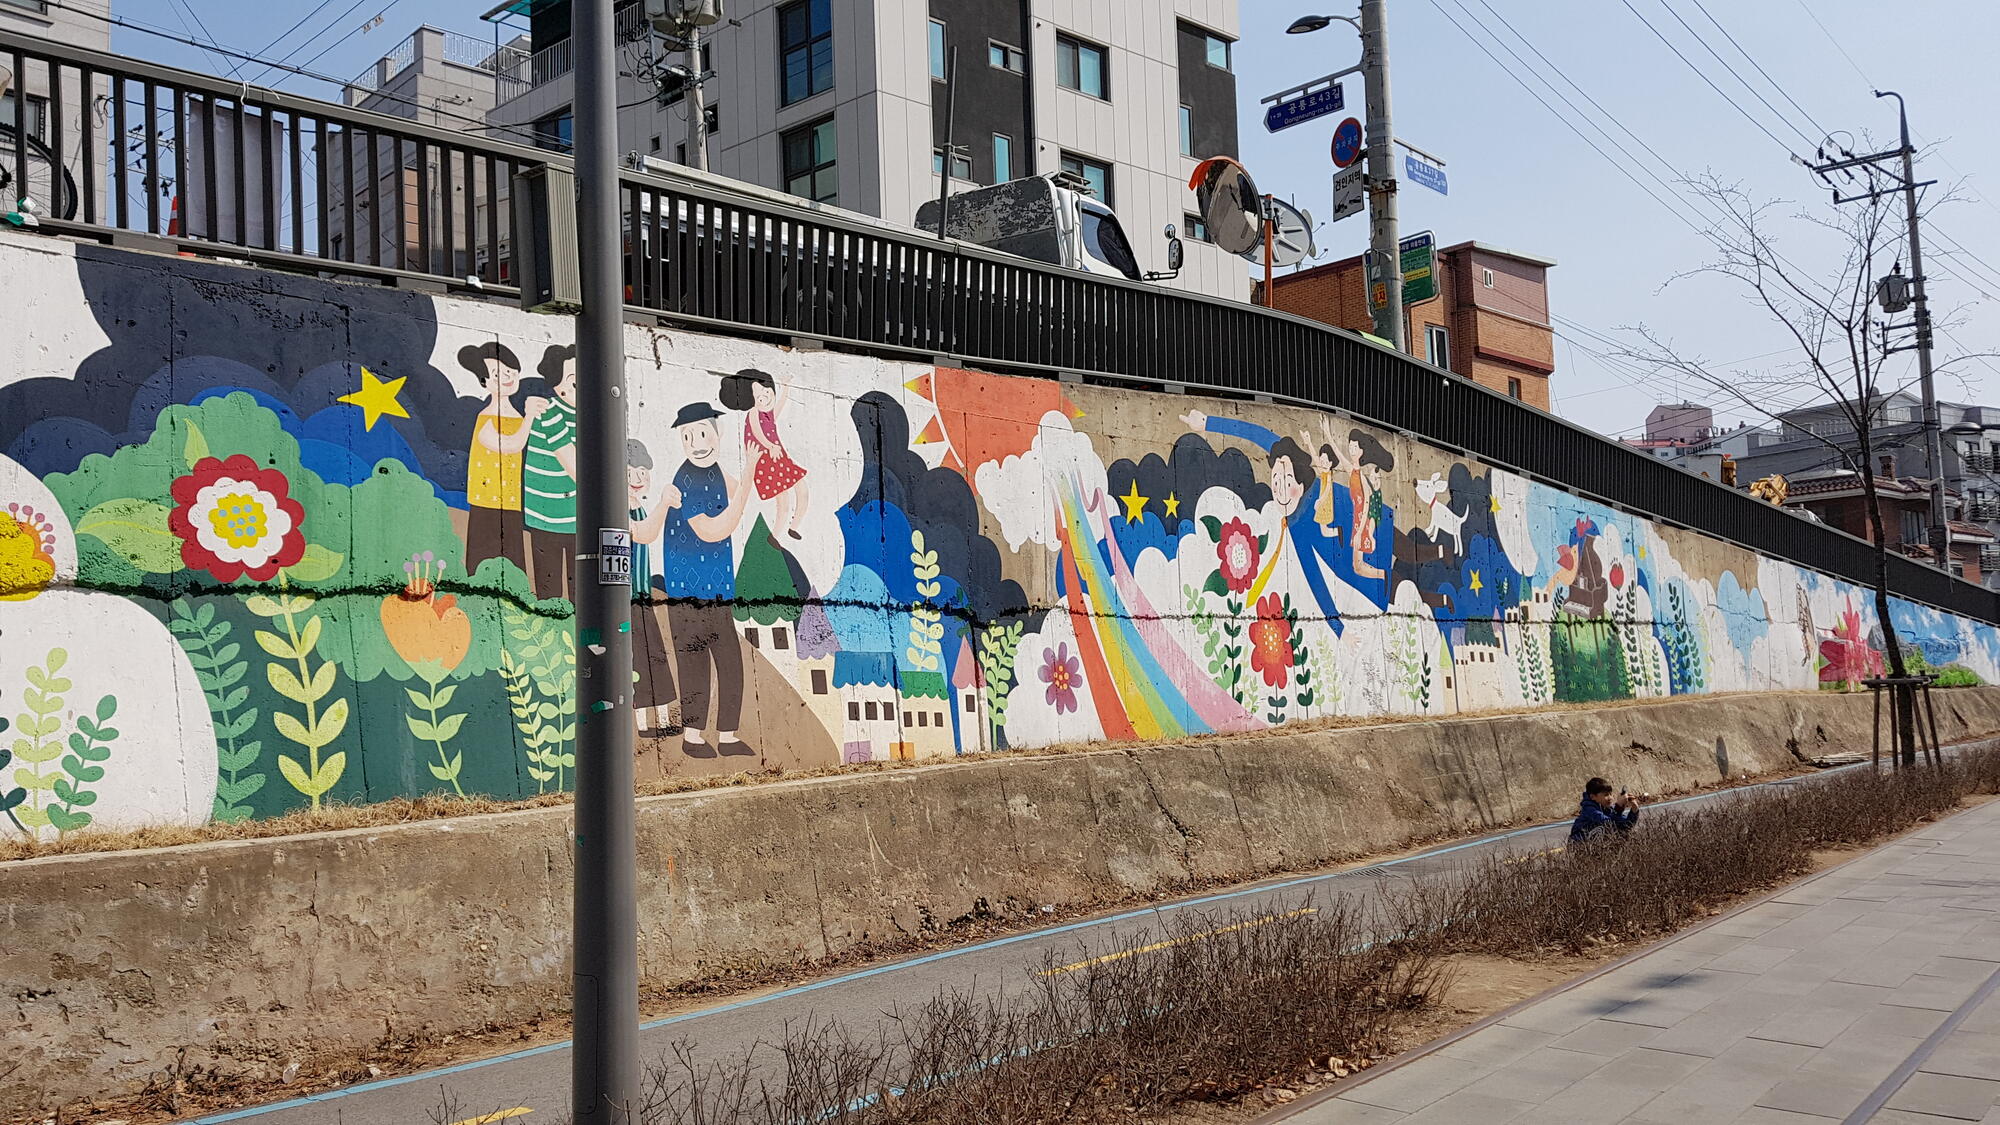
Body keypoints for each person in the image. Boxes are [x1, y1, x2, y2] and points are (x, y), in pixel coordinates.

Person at [660, 402, 764, 758]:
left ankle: (727, 736)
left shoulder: (716, 469)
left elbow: (742, 490)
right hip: (687, 594)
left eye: (703, 433)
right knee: (695, 665)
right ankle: (692, 737)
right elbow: (714, 530)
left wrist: (753, 466)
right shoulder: (686, 480)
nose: (697, 443)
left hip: (717, 591)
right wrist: (747, 480)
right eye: (688, 436)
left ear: (717, 435)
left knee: (730, 662)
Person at [458, 342, 546, 576]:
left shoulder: (516, 416)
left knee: (513, 559)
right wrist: (529, 417)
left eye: (510, 371)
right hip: (486, 499)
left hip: (511, 499)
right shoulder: (485, 417)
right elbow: (511, 445)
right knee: (481, 558)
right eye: (498, 374)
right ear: (485, 382)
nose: (507, 377)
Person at [718, 367, 809, 543]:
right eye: (759, 397)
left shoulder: (769, 415)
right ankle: (775, 536)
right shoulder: (754, 413)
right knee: (783, 500)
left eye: (767, 392)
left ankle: (794, 526)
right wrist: (770, 446)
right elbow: (757, 432)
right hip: (766, 461)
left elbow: (780, 404)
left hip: (779, 459)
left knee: (801, 488)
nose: (765, 397)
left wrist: (786, 387)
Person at [626, 438, 677, 737]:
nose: (637, 478)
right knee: (638, 663)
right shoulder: (619, 509)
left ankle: (665, 720)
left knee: (656, 657)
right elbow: (644, 534)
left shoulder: (640, 508)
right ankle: (644, 725)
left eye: (642, 472)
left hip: (643, 595)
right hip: (628, 598)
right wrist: (664, 504)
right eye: (629, 472)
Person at [522, 344, 578, 600]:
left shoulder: (587, 416)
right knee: (549, 589)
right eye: (575, 382)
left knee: (581, 592)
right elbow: (575, 467)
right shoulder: (550, 412)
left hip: (577, 517)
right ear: (558, 384)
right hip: (548, 514)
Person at [1570, 777, 1641, 843]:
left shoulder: (1607, 808)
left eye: (1611, 794)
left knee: (1624, 832)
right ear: (1592, 797)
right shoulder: (1589, 810)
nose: (1610, 798)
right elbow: (1609, 824)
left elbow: (1627, 826)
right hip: (1578, 846)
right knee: (1605, 829)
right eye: (1606, 795)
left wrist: (1634, 808)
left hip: (1592, 846)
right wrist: (1618, 808)